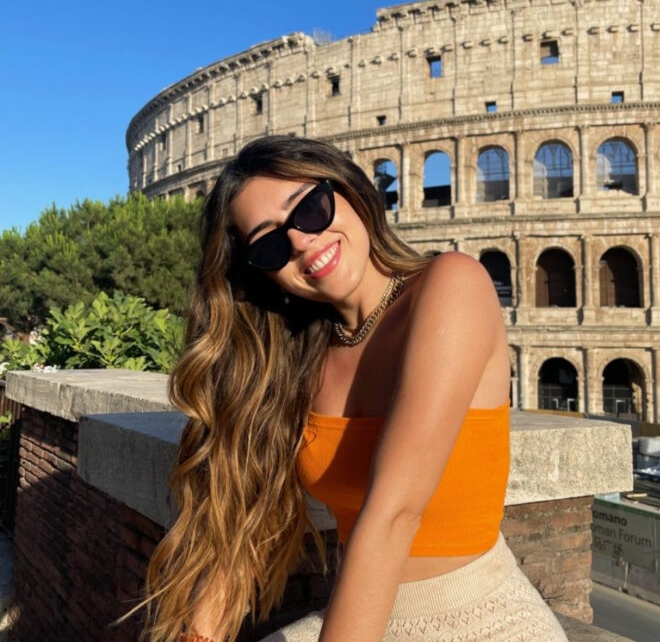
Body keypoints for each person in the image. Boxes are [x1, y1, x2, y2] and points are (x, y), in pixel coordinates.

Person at [115, 135, 569, 642]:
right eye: (269, 244)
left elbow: (393, 512)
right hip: (358, 618)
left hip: (482, 620)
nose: (301, 242)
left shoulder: (451, 284)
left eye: (310, 208)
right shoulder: (298, 355)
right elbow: (243, 525)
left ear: (350, 189)